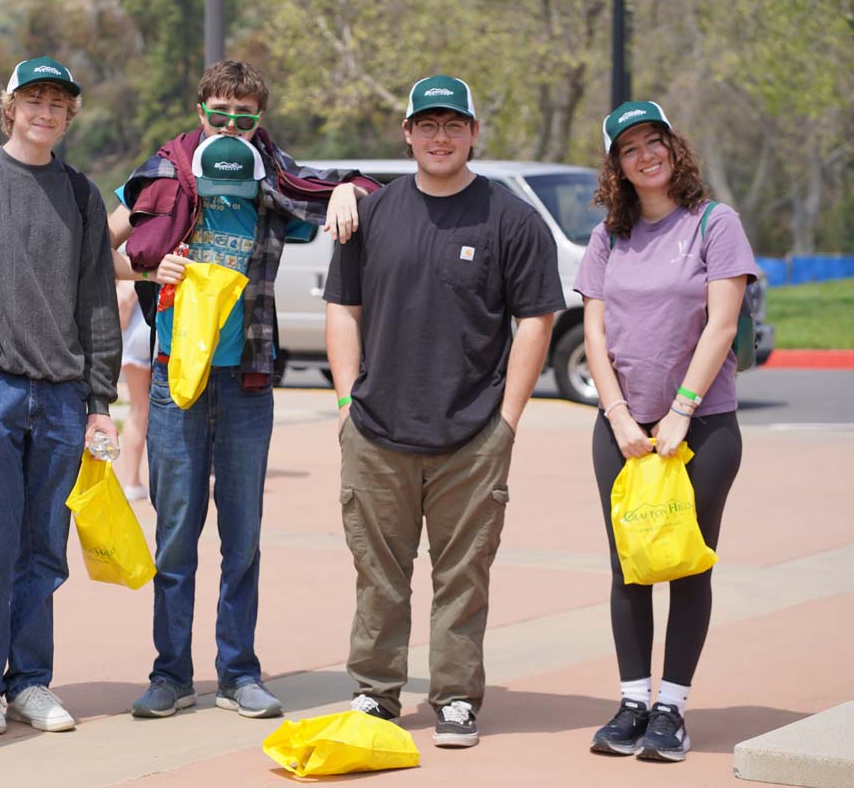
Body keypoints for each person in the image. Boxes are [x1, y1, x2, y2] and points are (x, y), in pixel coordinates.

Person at [108, 59, 378, 720]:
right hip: (177, 377)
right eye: (219, 113)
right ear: (201, 110)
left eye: (244, 115)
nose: (230, 124)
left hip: (249, 377)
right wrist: (146, 268)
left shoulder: (274, 177)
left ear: (259, 118)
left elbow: (343, 191)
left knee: (244, 535)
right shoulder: (163, 173)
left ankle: (239, 672)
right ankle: (170, 674)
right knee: (176, 532)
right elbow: (97, 247)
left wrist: (352, 190)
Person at [325, 75, 564, 747]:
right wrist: (346, 404)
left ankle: (456, 698)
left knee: (463, 577)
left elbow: (537, 319)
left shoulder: (510, 219)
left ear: (473, 132)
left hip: (472, 433)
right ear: (406, 134)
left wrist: (508, 420)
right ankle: (376, 691)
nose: (439, 136)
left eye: (452, 125)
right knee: (379, 576)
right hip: (375, 432)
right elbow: (342, 309)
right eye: (427, 125)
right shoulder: (369, 215)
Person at [0, 56, 121, 736]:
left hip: (65, 399)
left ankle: (31, 681)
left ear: (70, 114)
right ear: (10, 106)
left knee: (45, 548)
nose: (46, 111)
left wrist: (99, 398)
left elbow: (99, 302)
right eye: (33, 99)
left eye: (58, 102)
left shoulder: (81, 194)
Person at [575, 101, 756, 762]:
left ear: (674, 148)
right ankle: (630, 703)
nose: (645, 155)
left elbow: (722, 325)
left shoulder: (715, 223)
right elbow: (594, 332)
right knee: (629, 565)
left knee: (684, 563)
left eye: (655, 141)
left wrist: (680, 409)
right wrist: (621, 416)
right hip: (621, 428)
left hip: (701, 428)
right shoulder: (607, 238)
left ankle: (671, 710)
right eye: (630, 149)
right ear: (616, 167)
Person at [115, 280, 152, 501]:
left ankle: (132, 481)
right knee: (167, 408)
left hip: (131, 333)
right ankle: (160, 483)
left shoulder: (123, 249)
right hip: (156, 329)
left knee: (137, 409)